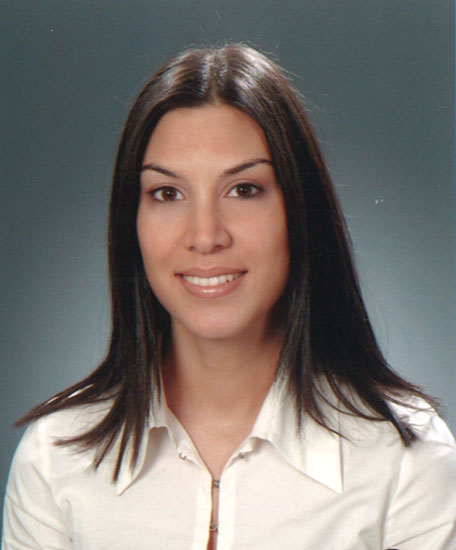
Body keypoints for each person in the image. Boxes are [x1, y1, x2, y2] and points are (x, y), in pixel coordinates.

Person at [2, 44, 456, 550]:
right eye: (167, 193)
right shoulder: (54, 458)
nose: (205, 235)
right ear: (132, 222)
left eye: (243, 189)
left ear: (299, 210)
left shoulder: (407, 460)